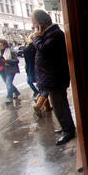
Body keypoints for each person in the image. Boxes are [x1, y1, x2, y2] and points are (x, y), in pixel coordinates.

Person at [30, 9, 75, 145]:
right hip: (51, 77)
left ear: (41, 23)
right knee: (58, 105)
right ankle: (65, 127)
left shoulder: (55, 34)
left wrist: (36, 37)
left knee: (59, 105)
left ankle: (68, 130)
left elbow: (44, 49)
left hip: (55, 77)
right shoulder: (49, 34)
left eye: (34, 24)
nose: (34, 27)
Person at [0, 39, 21, 103]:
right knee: (8, 83)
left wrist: (6, 60)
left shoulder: (10, 51)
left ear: (4, 45)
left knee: (8, 83)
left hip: (10, 69)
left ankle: (9, 97)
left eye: (0, 45)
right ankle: (16, 92)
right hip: (1, 69)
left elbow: (16, 61)